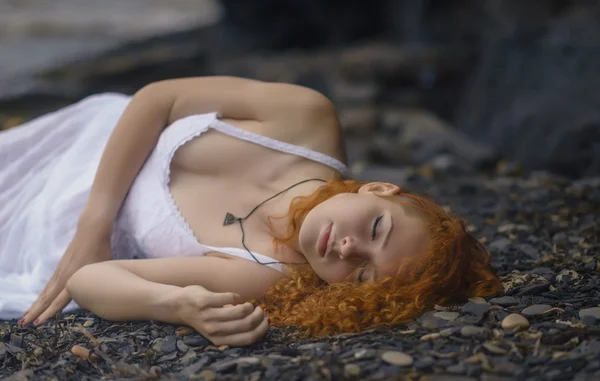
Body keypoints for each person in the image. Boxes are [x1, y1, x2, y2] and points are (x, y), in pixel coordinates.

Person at [0, 76, 502, 347]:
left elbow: (92, 281)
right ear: (378, 188)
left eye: (365, 273)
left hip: (38, 229)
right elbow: (158, 98)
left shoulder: (268, 275)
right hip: (79, 140)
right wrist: (97, 221)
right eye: (376, 228)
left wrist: (176, 305)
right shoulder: (306, 119)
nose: (349, 249)